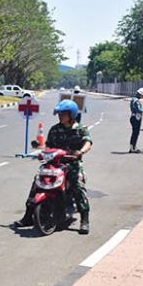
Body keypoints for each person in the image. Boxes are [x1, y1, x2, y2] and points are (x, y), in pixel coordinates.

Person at [14, 99, 93, 235]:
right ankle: (28, 216)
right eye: (59, 114)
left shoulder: (80, 129)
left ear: (71, 114)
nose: (60, 116)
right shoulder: (55, 129)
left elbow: (88, 142)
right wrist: (41, 152)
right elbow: (49, 146)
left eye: (63, 114)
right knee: (36, 183)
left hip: (71, 163)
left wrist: (81, 152)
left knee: (77, 185)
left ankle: (84, 220)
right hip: (54, 163)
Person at [129, 88, 143, 153]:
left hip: (134, 117)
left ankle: (133, 147)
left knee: (135, 133)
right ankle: (132, 148)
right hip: (136, 118)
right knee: (135, 133)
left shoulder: (134, 100)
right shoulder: (136, 101)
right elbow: (138, 110)